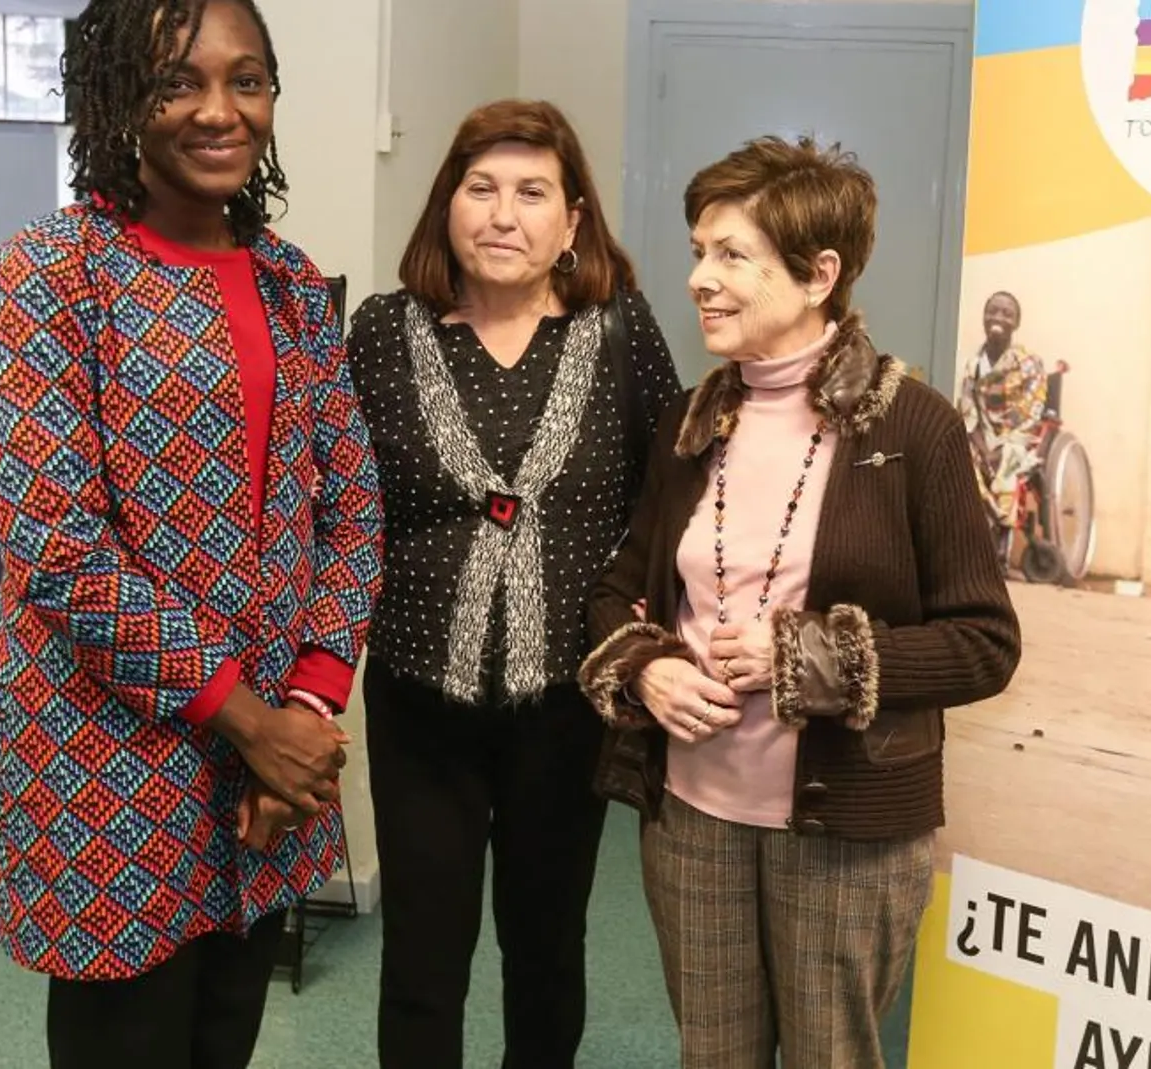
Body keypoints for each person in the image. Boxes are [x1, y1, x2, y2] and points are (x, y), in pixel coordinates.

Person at [0, 0, 384, 1065]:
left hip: (262, 774)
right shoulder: (49, 277)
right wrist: (248, 718)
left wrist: (303, 709)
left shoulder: (290, 284)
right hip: (106, 760)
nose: (218, 110)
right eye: (178, 82)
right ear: (117, 94)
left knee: (223, 1037)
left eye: (246, 81)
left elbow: (350, 508)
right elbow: (59, 545)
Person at [579, 135, 1021, 1068]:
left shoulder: (916, 428)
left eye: (732, 255)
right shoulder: (690, 421)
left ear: (821, 274)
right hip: (693, 816)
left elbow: (984, 642)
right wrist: (646, 665)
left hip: (850, 830)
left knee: (833, 1056)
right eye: (700, 249)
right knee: (716, 1054)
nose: (700, 277)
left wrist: (804, 658)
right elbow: (625, 585)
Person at [344, 98, 683, 1067]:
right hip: (418, 703)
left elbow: (665, 496)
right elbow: (336, 502)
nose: (503, 214)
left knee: (546, 947)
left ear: (571, 222)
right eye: (480, 188)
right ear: (445, 205)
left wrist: (646, 642)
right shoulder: (380, 332)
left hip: (564, 707)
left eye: (532, 192)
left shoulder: (619, 331)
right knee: (422, 955)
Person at [958, 289, 1048, 536]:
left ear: (1016, 323)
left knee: (1007, 466)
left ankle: (1000, 533)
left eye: (1007, 314)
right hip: (981, 440)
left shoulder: (1029, 364)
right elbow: (967, 413)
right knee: (961, 463)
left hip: (1017, 440)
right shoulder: (973, 366)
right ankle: (979, 531)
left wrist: (1000, 448)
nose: (998, 317)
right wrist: (984, 449)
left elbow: (1030, 412)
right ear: (984, 318)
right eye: (992, 311)